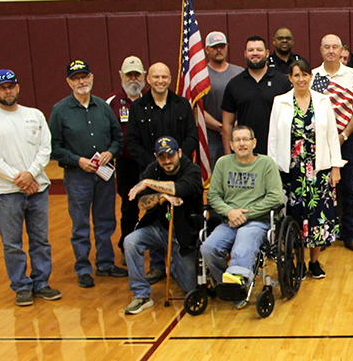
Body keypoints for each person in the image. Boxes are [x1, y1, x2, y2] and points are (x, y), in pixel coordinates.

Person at [0, 69, 62, 306]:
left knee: (40, 240)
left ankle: (41, 282)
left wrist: (31, 174)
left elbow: (45, 148)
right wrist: (20, 178)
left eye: (11, 86)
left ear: (18, 87)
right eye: (3, 88)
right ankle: (21, 286)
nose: (8, 91)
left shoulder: (34, 115)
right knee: (12, 244)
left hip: (38, 190)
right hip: (7, 193)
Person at [49, 60, 127, 288]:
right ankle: (83, 268)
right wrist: (78, 160)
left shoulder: (103, 107)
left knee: (105, 220)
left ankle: (105, 264)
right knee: (80, 224)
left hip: (104, 173)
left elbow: (117, 138)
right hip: (77, 176)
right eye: (76, 78)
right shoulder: (60, 110)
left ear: (92, 78)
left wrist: (110, 153)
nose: (81, 82)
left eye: (84, 77)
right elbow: (54, 147)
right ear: (69, 82)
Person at [269, 60, 344, 278]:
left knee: (317, 216)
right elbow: (273, 137)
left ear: (311, 76)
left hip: (319, 170)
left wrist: (335, 167)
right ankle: (298, 262)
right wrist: (273, 170)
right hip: (290, 171)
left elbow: (332, 135)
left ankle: (314, 262)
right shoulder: (280, 102)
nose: (300, 79)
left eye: (304, 74)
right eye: (296, 75)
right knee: (295, 216)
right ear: (290, 78)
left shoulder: (323, 101)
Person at [201, 125, 284, 308]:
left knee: (244, 240)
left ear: (254, 143)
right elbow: (213, 196)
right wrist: (230, 212)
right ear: (231, 145)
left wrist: (246, 214)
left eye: (246, 139)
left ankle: (237, 286)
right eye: (237, 140)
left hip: (258, 221)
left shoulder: (266, 164)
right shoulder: (223, 163)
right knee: (208, 247)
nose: (242, 144)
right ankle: (227, 284)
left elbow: (275, 197)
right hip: (230, 221)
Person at [122, 136, 203, 314]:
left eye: (171, 156)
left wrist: (148, 183)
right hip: (159, 229)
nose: (167, 161)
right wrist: (160, 197)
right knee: (130, 241)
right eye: (162, 157)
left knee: (189, 286)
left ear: (179, 153)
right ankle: (141, 295)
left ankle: (175, 265)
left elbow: (180, 189)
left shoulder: (193, 170)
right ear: (156, 157)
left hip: (183, 235)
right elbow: (141, 203)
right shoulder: (154, 169)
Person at [312, 34, 353, 253]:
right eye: (327, 47)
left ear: (341, 49)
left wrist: (343, 135)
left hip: (348, 139)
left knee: (351, 188)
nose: (331, 51)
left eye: (335, 47)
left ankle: (350, 235)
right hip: (320, 142)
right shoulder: (313, 75)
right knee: (323, 189)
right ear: (321, 50)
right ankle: (325, 235)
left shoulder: (351, 74)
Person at [221, 36, 293, 156]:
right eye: (251, 50)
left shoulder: (282, 82)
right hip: (245, 153)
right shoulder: (234, 84)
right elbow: (227, 124)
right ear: (245, 53)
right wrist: (229, 156)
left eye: (259, 50)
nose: (255, 53)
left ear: (267, 53)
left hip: (277, 153)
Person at [106, 56, 146, 264]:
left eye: (137, 75)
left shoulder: (150, 98)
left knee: (153, 203)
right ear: (121, 76)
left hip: (148, 162)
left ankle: (154, 246)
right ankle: (126, 246)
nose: (133, 79)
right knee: (129, 207)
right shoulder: (111, 102)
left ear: (144, 77)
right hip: (125, 163)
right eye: (129, 75)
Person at [125, 62, 198, 169]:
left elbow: (192, 137)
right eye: (156, 77)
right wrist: (155, 164)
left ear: (169, 79)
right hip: (149, 170)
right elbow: (132, 142)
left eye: (164, 77)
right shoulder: (137, 107)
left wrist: (175, 160)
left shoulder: (182, 104)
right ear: (148, 79)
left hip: (181, 169)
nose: (160, 81)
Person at [201, 31, 244, 164]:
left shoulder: (239, 73)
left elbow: (245, 103)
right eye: (214, 47)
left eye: (222, 46)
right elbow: (197, 107)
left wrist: (232, 126)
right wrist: (222, 127)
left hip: (238, 136)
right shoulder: (201, 76)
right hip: (210, 137)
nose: (219, 50)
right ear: (207, 50)